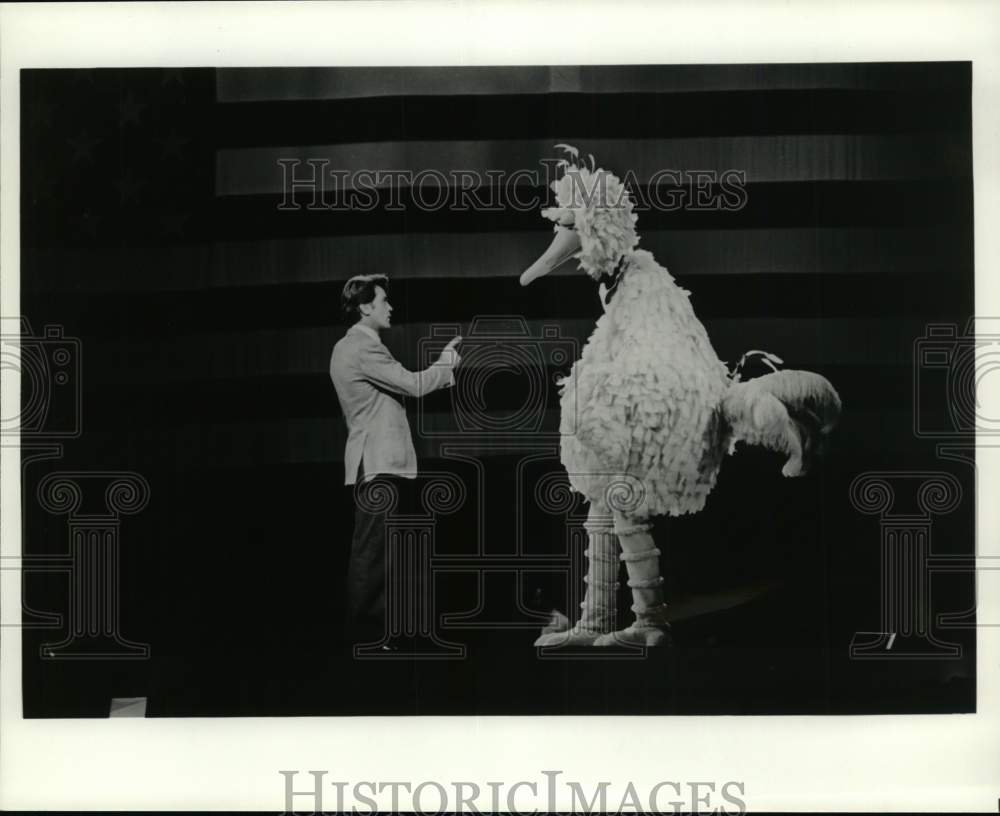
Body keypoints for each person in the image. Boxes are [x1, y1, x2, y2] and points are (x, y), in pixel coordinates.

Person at [330, 273, 461, 645]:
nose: (391, 307)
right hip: (377, 464)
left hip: (376, 464)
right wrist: (447, 362)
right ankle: (369, 634)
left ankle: (377, 634)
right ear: (365, 306)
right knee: (373, 554)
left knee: (377, 552)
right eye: (384, 301)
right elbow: (414, 385)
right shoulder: (361, 347)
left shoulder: (353, 346)